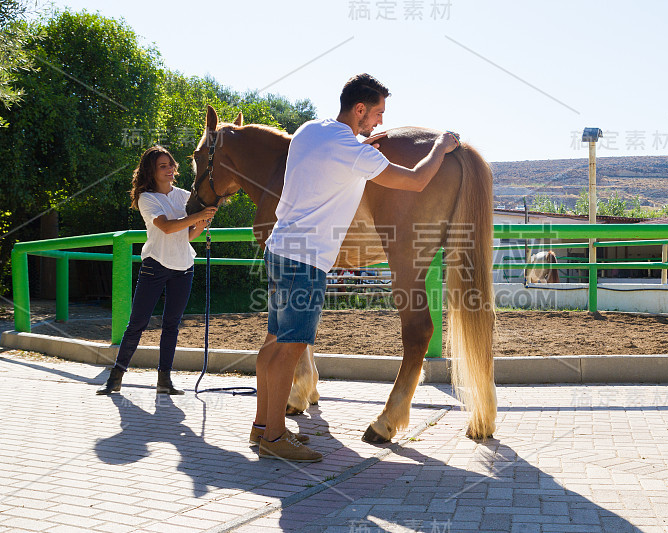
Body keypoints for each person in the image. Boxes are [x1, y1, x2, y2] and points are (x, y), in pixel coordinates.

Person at [254, 73, 460, 462]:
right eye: (377, 113)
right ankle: (276, 436)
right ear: (360, 108)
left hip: (280, 248)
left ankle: (262, 426)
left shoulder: (308, 131)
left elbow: (329, 164)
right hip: (307, 259)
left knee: (273, 341)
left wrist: (360, 143)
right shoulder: (353, 151)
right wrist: (439, 146)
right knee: (291, 346)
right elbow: (415, 182)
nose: (380, 123)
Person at [97, 146, 217, 396]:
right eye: (163, 166)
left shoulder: (185, 196)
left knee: (172, 324)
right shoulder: (147, 198)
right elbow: (166, 227)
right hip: (156, 265)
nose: (170, 169)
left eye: (171, 164)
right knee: (137, 323)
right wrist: (196, 216)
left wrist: (203, 220)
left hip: (184, 267)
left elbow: (188, 235)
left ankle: (164, 382)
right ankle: (115, 378)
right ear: (151, 172)